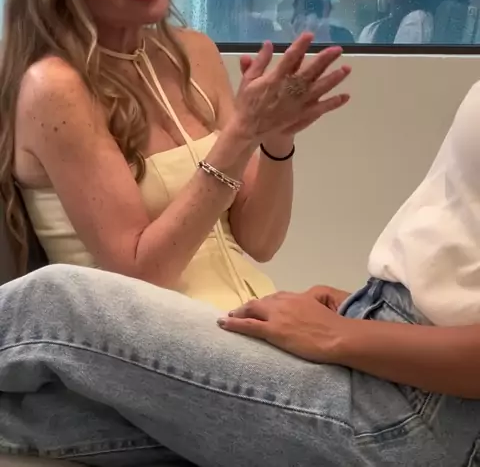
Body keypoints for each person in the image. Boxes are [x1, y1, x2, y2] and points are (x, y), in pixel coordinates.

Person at [1, 72, 480, 464]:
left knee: (54, 301)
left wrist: (340, 336)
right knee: (40, 414)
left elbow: (253, 243)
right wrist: (372, 305)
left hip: (416, 400)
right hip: (400, 349)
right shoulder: (56, 84)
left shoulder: (193, 59)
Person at [0, 0, 350, 314]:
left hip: (246, 315)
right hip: (143, 340)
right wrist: (241, 134)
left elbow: (260, 242)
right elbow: (141, 274)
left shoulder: (192, 52)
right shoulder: (55, 86)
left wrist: (276, 141)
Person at [290, 0, 355, 44]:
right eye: (309, 3)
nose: (313, 9)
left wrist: (326, 39)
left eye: (318, 4)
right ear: (296, 5)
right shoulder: (285, 34)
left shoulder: (343, 37)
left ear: (329, 8)